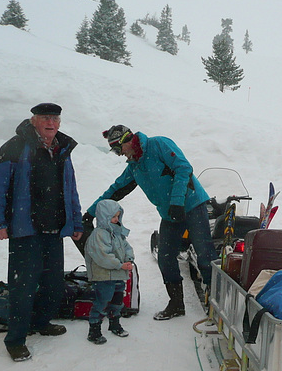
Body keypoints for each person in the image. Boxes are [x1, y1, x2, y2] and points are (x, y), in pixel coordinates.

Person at [82, 125, 216, 321]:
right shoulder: (134, 166)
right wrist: (91, 213)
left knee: (204, 255)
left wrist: (177, 201)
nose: (119, 155)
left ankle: (215, 302)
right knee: (165, 258)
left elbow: (183, 168)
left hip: (192, 204)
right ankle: (177, 304)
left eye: (118, 149)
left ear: (128, 140)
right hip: (170, 214)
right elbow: (116, 189)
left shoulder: (158, 144)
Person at [0, 102, 83, 362]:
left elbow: (70, 187)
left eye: (55, 119)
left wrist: (75, 222)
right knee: (22, 287)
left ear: (59, 123)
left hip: (53, 229)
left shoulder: (62, 149)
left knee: (53, 284)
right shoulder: (15, 146)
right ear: (34, 121)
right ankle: (15, 339)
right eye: (45, 118)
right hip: (25, 230)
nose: (50, 123)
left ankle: (40, 322)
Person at [84, 199, 134, 344]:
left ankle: (115, 323)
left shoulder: (117, 233)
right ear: (104, 217)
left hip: (118, 274)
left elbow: (126, 247)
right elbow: (103, 256)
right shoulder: (98, 234)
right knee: (102, 300)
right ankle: (94, 329)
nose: (116, 219)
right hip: (104, 276)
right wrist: (120, 265)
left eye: (118, 216)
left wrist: (129, 259)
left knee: (118, 299)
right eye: (113, 216)